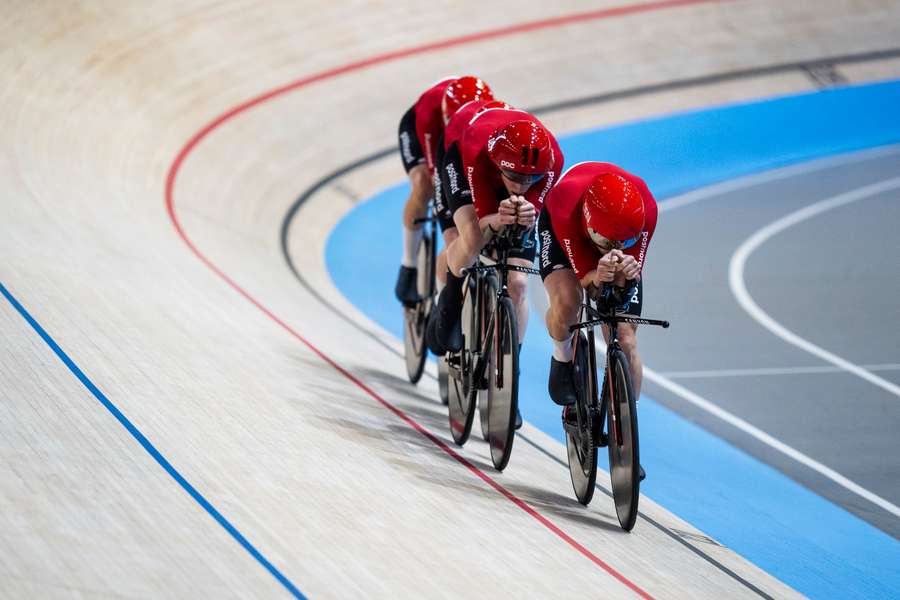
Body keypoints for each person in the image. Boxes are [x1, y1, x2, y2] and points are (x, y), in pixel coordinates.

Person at [428, 108, 564, 428]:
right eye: (515, 178)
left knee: (517, 283)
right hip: (461, 160)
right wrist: (496, 218)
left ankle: (510, 378)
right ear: (502, 165)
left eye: (529, 179)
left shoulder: (551, 161)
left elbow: (533, 209)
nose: (520, 186)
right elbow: (484, 219)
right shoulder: (476, 150)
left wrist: (526, 209)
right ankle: (450, 294)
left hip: (507, 164)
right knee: (472, 237)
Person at [537, 162, 658, 439]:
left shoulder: (647, 210)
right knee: (568, 300)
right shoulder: (564, 205)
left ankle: (628, 429)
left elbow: (631, 274)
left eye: (622, 242)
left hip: (614, 233)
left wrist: (625, 272)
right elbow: (584, 282)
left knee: (625, 337)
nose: (612, 249)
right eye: (606, 243)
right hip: (565, 235)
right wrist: (595, 273)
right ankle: (562, 356)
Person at [395, 76, 494, 306]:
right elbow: (437, 173)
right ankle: (409, 264)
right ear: (448, 115)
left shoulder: (489, 114)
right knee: (424, 185)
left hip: (465, 140)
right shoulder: (430, 112)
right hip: (424, 132)